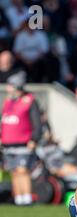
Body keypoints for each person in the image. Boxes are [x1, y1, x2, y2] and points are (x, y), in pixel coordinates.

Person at [0, 71, 42, 206]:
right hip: (8, 144)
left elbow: (37, 122)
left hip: (24, 143)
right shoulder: (8, 102)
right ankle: (18, 199)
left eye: (10, 86)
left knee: (22, 171)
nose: (8, 88)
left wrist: (34, 139)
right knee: (14, 172)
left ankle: (27, 198)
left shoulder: (30, 100)